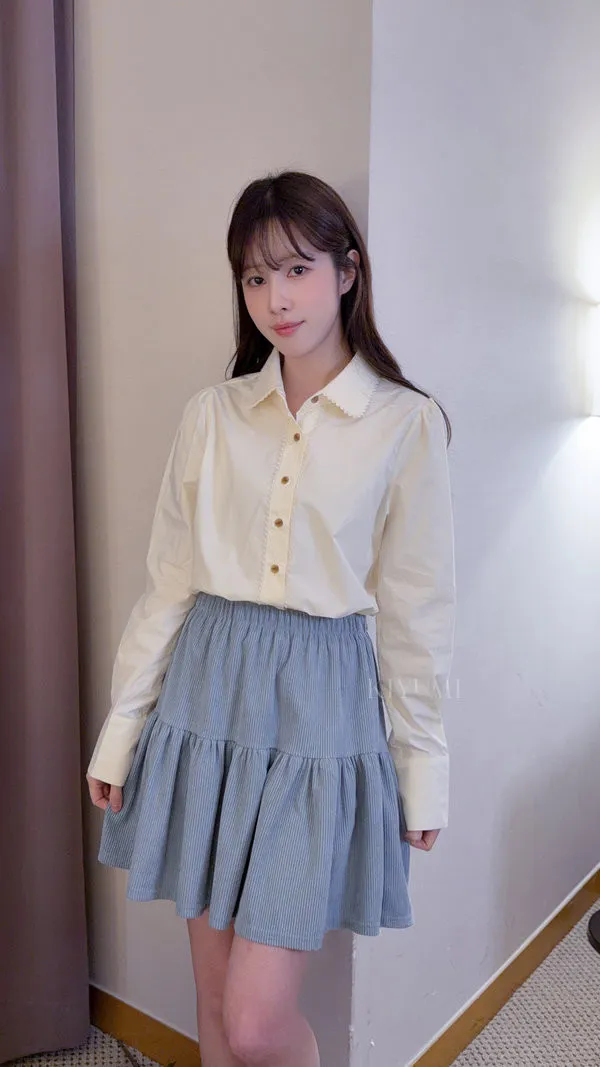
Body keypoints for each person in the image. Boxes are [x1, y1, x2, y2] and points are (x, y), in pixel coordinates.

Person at [86, 170, 456, 1067]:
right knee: (215, 1004)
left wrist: (423, 769)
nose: (276, 299)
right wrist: (120, 731)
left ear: (347, 271)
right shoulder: (213, 416)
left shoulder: (405, 424)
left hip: (320, 712)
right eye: (255, 277)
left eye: (296, 269)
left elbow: (416, 613)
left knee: (258, 1020)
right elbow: (169, 582)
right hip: (207, 694)